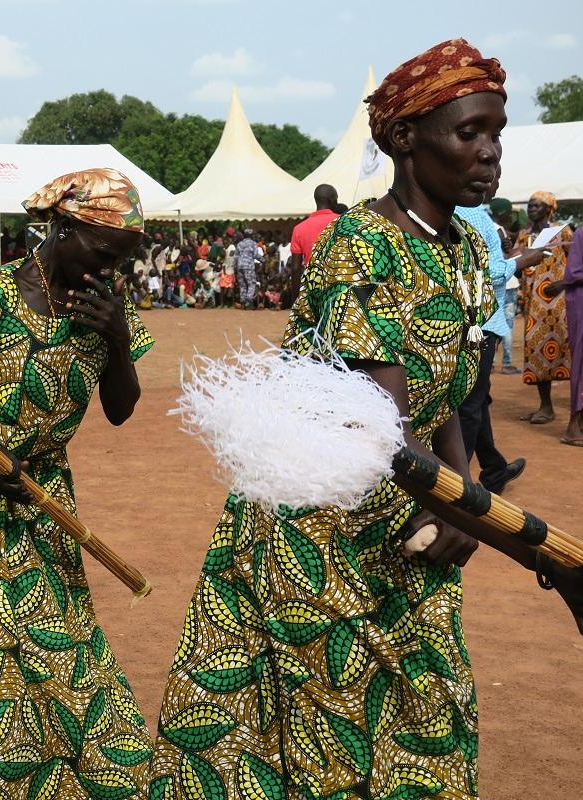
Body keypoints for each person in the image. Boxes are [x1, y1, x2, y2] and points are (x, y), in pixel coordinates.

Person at [151, 39, 583, 799]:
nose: (490, 153)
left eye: (496, 134)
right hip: (326, 545)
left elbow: (446, 404)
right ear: (405, 139)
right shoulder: (360, 248)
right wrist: (533, 550)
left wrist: (462, 501)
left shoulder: (460, 249)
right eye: (469, 132)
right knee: (333, 744)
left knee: (426, 730)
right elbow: (387, 433)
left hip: (415, 526)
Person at [0, 168, 155, 797]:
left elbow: (121, 410)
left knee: (64, 644)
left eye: (123, 258)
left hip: (45, 496)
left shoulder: (109, 304)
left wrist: (117, 339)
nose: (111, 269)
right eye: (104, 251)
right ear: (64, 229)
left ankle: (94, 774)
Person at [456, 172, 542, 494]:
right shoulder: (470, 214)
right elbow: (481, 271)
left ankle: (493, 469)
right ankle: (459, 489)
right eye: (493, 174)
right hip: (479, 323)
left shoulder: (470, 212)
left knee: (476, 399)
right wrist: (519, 262)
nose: (496, 184)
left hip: (475, 321)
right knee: (469, 405)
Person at [517, 191, 574, 425]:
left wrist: (564, 283)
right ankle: (545, 406)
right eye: (530, 205)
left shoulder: (563, 232)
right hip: (534, 306)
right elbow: (516, 262)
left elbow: (578, 261)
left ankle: (575, 414)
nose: (531, 209)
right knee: (537, 353)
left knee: (565, 352)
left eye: (536, 205)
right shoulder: (524, 235)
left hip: (559, 304)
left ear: (549, 209)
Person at [548, 229, 583, 445]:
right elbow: (574, 273)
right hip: (581, 302)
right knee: (581, 363)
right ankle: (573, 426)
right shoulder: (581, 234)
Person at [287, 183, 340, 298]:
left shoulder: (299, 229)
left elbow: (295, 268)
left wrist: (295, 300)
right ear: (331, 200)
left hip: (313, 288)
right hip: (338, 287)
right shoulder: (343, 222)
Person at [489, 196, 521, 372]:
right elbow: (506, 258)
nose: (510, 216)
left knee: (493, 323)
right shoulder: (499, 230)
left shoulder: (484, 227)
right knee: (507, 325)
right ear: (502, 213)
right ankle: (507, 364)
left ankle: (491, 363)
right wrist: (522, 252)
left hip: (493, 284)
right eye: (509, 213)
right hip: (508, 283)